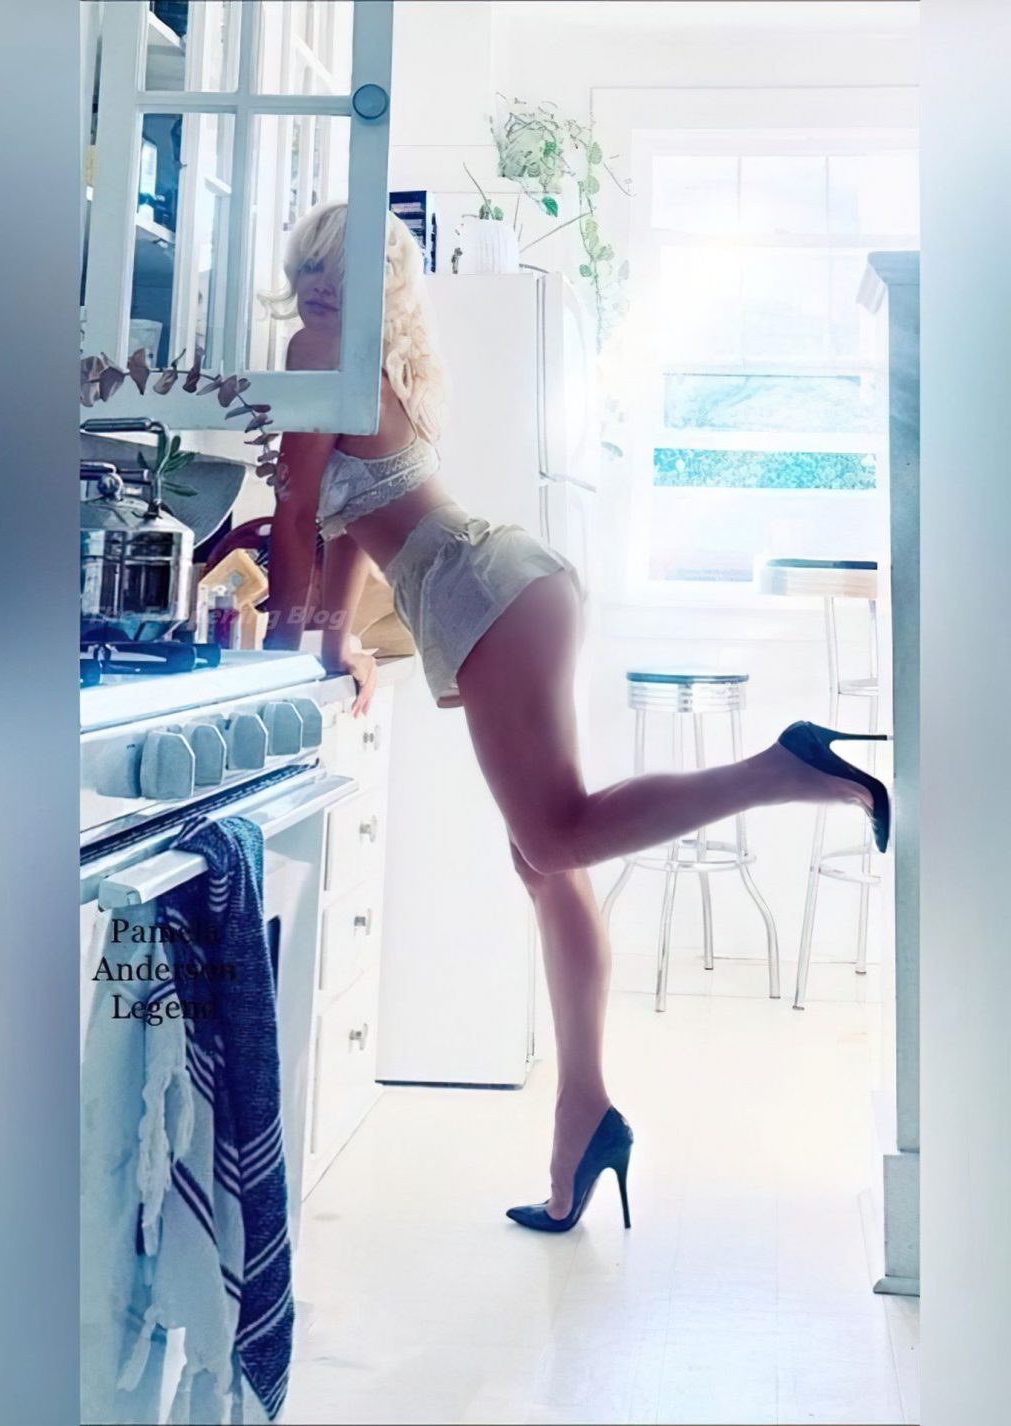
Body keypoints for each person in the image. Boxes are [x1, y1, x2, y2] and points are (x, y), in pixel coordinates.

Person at [264, 201, 890, 1233]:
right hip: (508, 586)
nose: (307, 284)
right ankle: (584, 1119)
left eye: (315, 265)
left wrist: (276, 651)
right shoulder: (364, 357)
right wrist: (326, 651)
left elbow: (295, 517)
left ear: (330, 270)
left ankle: (789, 770)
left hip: (490, 595)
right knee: (545, 863)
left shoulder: (318, 345)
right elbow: (343, 532)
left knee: (555, 838)